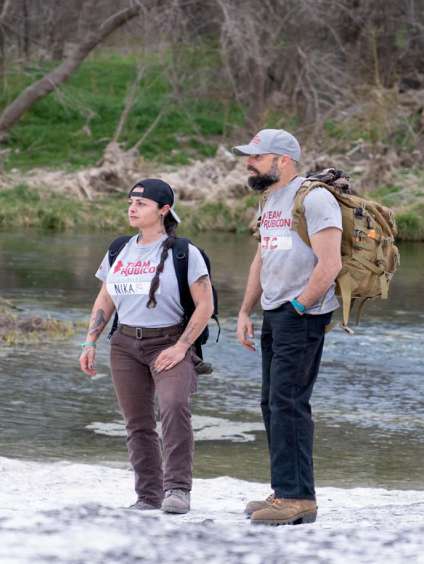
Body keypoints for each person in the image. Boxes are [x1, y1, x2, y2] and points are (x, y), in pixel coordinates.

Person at [79, 178, 214, 515]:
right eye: (130, 202)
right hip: (125, 345)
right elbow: (106, 297)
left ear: (164, 209)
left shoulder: (185, 253)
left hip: (170, 341)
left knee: (173, 406)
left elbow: (206, 305)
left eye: (141, 204)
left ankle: (178, 489)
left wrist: (183, 347)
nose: (132, 208)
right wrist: (90, 340)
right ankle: (148, 495)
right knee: (137, 422)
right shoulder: (119, 248)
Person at [233, 129, 342, 525]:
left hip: (302, 315)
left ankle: (298, 499)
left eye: (257, 157)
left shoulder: (315, 198)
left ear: (284, 159)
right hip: (274, 312)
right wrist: (246, 310)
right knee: (272, 403)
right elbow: (262, 259)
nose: (250, 163)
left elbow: (331, 265)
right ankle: (284, 490)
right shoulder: (269, 199)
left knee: (290, 404)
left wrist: (300, 306)